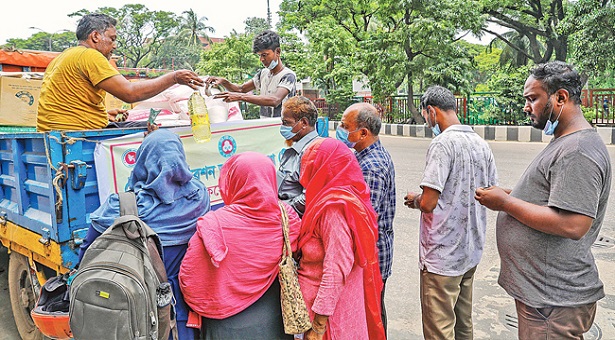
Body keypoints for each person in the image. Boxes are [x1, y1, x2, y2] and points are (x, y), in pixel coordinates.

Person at [475, 61, 612, 340]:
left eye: (532, 98)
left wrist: (506, 204)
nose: (527, 107)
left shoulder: (577, 150)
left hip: (553, 302)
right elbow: (555, 199)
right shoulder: (566, 141)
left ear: (560, 97)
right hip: (545, 297)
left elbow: (573, 224)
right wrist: (511, 195)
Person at [78, 129, 211, 340]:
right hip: (184, 307)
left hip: (134, 308)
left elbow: (88, 250)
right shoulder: (198, 197)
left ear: (143, 160)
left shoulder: (122, 207)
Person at [404, 85, 498, 340]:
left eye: (425, 116)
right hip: (469, 251)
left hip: (442, 257)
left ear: (432, 111)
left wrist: (415, 200)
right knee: (463, 325)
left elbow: (428, 202)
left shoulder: (442, 144)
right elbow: (490, 193)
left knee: (439, 330)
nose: (426, 123)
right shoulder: (481, 144)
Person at [179, 152, 301, 339]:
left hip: (224, 324)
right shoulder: (287, 217)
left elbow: (191, 279)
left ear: (232, 181)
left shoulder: (214, 225)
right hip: (276, 320)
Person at [37, 13, 203, 131]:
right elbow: (129, 94)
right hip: (76, 133)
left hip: (55, 131)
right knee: (162, 131)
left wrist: (103, 114)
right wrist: (174, 77)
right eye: (112, 39)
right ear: (95, 36)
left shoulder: (62, 57)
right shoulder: (90, 55)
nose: (114, 45)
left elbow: (69, 102)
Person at [298, 138, 385, 340]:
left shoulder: (333, 209)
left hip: (330, 321)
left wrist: (318, 326)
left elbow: (336, 270)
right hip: (339, 307)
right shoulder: (347, 194)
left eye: (312, 165)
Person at [336, 102, 396, 336]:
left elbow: (363, 221)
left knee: (372, 315)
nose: (340, 130)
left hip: (372, 257)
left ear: (363, 133)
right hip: (374, 254)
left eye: (344, 126)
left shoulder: (371, 167)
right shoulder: (363, 156)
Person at [205, 30, 296, 118]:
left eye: (264, 55)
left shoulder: (288, 76)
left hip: (283, 127)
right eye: (259, 55)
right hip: (266, 126)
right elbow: (241, 89)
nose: (261, 59)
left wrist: (240, 97)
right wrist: (224, 82)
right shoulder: (263, 74)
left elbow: (275, 100)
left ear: (278, 52)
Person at [277, 96, 320, 217]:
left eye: (286, 123)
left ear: (304, 123)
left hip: (293, 221)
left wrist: (281, 210)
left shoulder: (314, 152)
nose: (282, 127)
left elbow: (308, 198)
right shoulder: (293, 151)